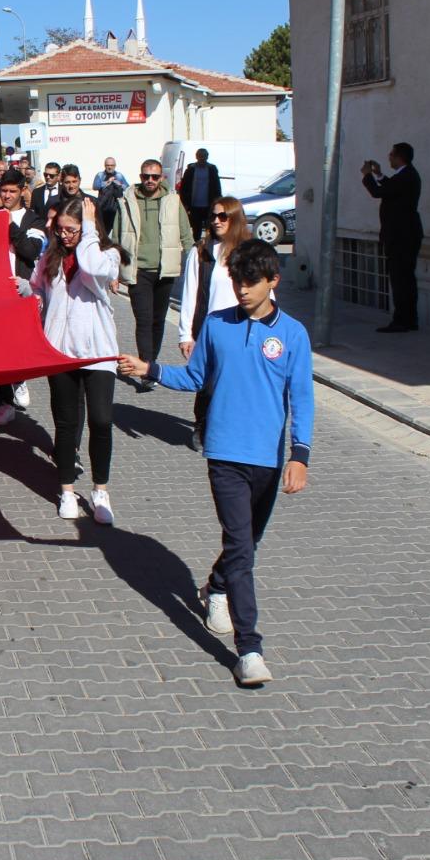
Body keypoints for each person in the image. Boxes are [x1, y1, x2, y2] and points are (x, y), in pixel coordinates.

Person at [116, 239, 312, 688]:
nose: (242, 290)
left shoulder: (293, 334)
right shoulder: (218, 326)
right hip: (224, 454)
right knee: (242, 548)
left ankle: (215, 586)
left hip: (268, 457)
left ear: (273, 282)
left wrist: (300, 456)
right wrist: (150, 370)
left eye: (251, 282)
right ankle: (250, 650)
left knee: (247, 546)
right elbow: (195, 378)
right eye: (237, 282)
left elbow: (302, 399)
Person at [31, 197, 125, 524]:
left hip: (98, 351)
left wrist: (88, 234)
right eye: (61, 230)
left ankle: (101, 490)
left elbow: (92, 268)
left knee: (100, 420)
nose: (66, 235)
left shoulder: (105, 254)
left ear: (87, 227)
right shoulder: (50, 256)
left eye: (72, 229)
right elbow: (38, 290)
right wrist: (25, 290)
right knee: (67, 424)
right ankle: (67, 490)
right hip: (61, 352)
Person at [177, 196, 253, 451]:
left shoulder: (248, 251)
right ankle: (202, 427)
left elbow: (263, 291)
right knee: (207, 384)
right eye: (214, 216)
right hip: (209, 329)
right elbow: (190, 293)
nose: (217, 221)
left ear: (235, 219)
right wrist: (186, 333)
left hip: (242, 328)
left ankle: (230, 429)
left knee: (235, 382)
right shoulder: (201, 251)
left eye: (223, 216)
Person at [117, 159, 194, 389]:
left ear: (161, 178)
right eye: (145, 176)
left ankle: (151, 363)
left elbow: (186, 233)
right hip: (137, 270)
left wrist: (193, 264)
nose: (149, 181)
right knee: (144, 320)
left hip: (165, 271)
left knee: (158, 321)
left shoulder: (172, 200)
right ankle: (147, 368)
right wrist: (113, 271)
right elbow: (115, 236)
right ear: (140, 177)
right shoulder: (126, 201)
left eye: (154, 176)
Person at [0, 170, 45, 424]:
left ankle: (19, 380)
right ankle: (4, 401)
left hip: (23, 290)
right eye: (4, 191)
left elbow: (31, 251)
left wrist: (9, 224)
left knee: (20, 345)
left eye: (12, 191)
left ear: (22, 191)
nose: (7, 196)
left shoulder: (34, 221)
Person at [362, 142, 423, 333]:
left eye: (391, 155)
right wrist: (379, 174)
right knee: (405, 279)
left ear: (399, 157)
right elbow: (390, 188)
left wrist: (367, 175)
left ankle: (402, 321)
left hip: (402, 236)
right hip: (404, 234)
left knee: (400, 279)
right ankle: (409, 319)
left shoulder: (407, 177)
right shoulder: (406, 176)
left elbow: (379, 192)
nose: (389, 157)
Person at [176, 148, 223, 240]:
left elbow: (217, 186)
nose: (202, 158)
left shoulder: (212, 169)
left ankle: (210, 245)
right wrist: (184, 203)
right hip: (194, 205)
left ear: (207, 157)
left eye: (204, 156)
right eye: (200, 156)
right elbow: (184, 187)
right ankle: (196, 247)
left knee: (210, 227)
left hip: (208, 204)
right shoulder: (191, 169)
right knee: (196, 229)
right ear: (196, 157)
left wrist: (217, 201)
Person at [92, 157, 129, 235]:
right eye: (108, 165)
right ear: (104, 166)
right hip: (103, 207)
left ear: (115, 166)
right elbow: (95, 186)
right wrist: (107, 182)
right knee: (102, 230)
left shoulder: (119, 175)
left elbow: (127, 187)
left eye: (112, 165)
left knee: (115, 230)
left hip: (115, 207)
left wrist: (120, 184)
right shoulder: (100, 175)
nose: (110, 167)